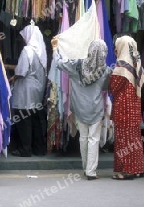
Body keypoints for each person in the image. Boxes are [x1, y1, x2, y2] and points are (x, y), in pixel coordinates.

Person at [51, 37, 112, 180]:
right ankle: (91, 171)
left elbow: (59, 64)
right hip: (95, 109)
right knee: (93, 139)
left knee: (83, 138)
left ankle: (86, 168)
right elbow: (105, 88)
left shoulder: (76, 65)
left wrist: (55, 48)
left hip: (79, 108)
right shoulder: (106, 71)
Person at [109, 35, 144, 180]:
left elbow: (113, 87)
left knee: (124, 139)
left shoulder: (121, 66)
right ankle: (138, 169)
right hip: (134, 107)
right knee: (135, 138)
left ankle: (127, 170)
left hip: (124, 108)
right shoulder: (137, 63)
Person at [9, 24, 47, 157]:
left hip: (25, 91)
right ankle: (39, 148)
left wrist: (11, 78)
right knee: (35, 120)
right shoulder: (41, 51)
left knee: (23, 120)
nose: (24, 39)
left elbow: (21, 71)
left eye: (25, 36)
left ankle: (25, 149)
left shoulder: (27, 50)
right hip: (37, 91)